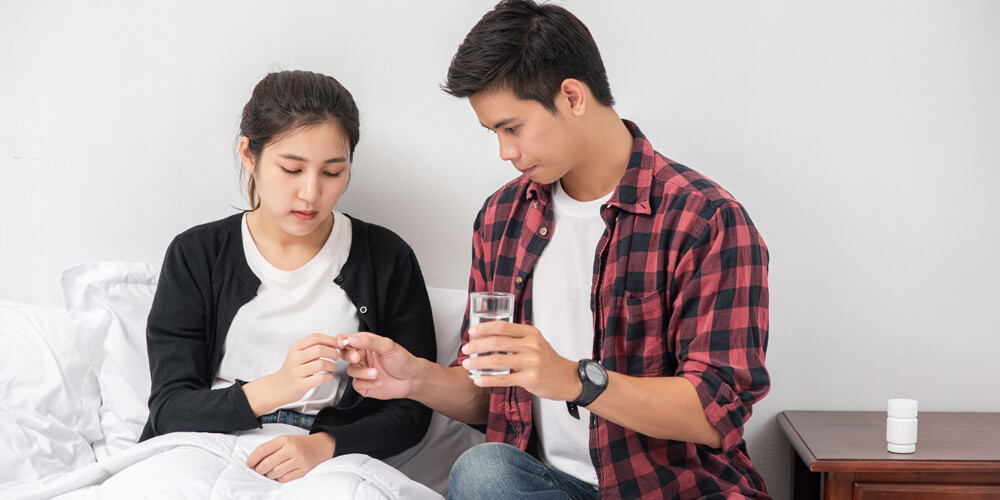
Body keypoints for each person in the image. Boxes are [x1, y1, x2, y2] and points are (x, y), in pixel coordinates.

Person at [337, 1, 770, 499]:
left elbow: (717, 412)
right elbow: (491, 397)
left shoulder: (704, 220)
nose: (504, 151)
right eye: (493, 132)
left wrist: (575, 379)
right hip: (548, 488)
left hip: (675, 489)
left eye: (512, 127)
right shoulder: (502, 219)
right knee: (483, 471)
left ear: (571, 96)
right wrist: (415, 378)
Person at [139, 70, 436, 483]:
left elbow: (411, 412)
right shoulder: (197, 254)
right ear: (249, 154)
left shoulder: (387, 257)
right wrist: (279, 385)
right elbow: (171, 409)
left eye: (332, 172)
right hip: (205, 446)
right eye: (292, 169)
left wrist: (323, 447)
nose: (311, 193)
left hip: (331, 458)